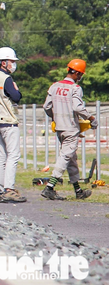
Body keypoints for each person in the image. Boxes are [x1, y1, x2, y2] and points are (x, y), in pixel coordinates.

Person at [41, 59, 96, 200]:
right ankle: (49, 187)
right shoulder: (75, 89)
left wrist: (54, 117)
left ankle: (78, 191)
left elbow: (47, 106)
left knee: (71, 158)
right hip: (71, 128)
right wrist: (91, 118)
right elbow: (77, 107)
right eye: (81, 75)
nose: (80, 78)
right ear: (77, 73)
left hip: (59, 128)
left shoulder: (54, 86)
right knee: (65, 156)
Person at [0, 47, 26, 203]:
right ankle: (9, 189)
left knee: (0, 157)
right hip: (8, 122)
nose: (13, 64)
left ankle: (1, 190)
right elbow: (17, 97)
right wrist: (17, 90)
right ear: (3, 62)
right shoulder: (7, 79)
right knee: (13, 156)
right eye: (11, 61)